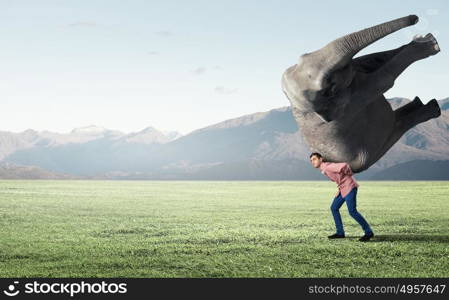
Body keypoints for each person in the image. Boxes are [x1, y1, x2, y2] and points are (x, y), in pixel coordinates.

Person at [309, 152, 374, 242]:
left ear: (321, 159)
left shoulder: (327, 167)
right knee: (334, 208)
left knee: (352, 211)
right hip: (343, 189)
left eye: (314, 159)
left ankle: (368, 232)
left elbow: (344, 165)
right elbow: (340, 178)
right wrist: (339, 189)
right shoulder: (324, 169)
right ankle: (340, 233)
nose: (313, 162)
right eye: (311, 160)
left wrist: (350, 175)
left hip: (350, 187)